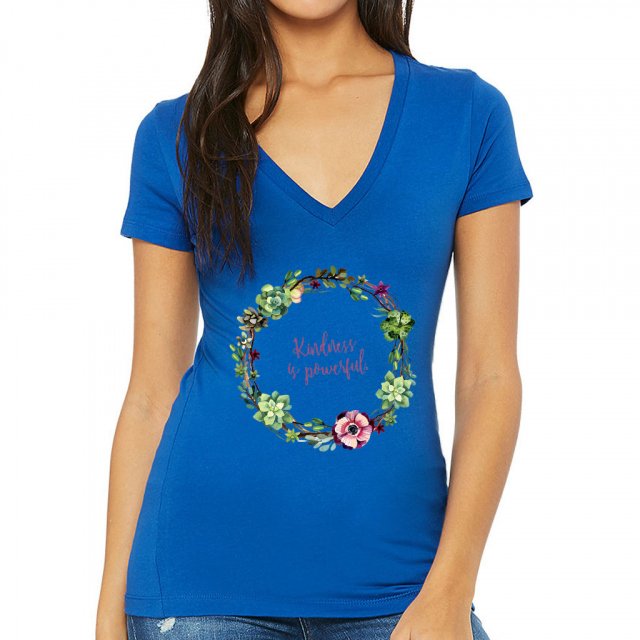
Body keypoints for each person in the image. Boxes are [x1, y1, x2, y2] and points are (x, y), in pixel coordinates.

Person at [96, 1, 533, 639]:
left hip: (404, 585)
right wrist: (109, 610)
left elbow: (489, 377)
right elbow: (150, 395)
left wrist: (452, 587)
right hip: (198, 587)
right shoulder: (178, 133)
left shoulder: (466, 114)